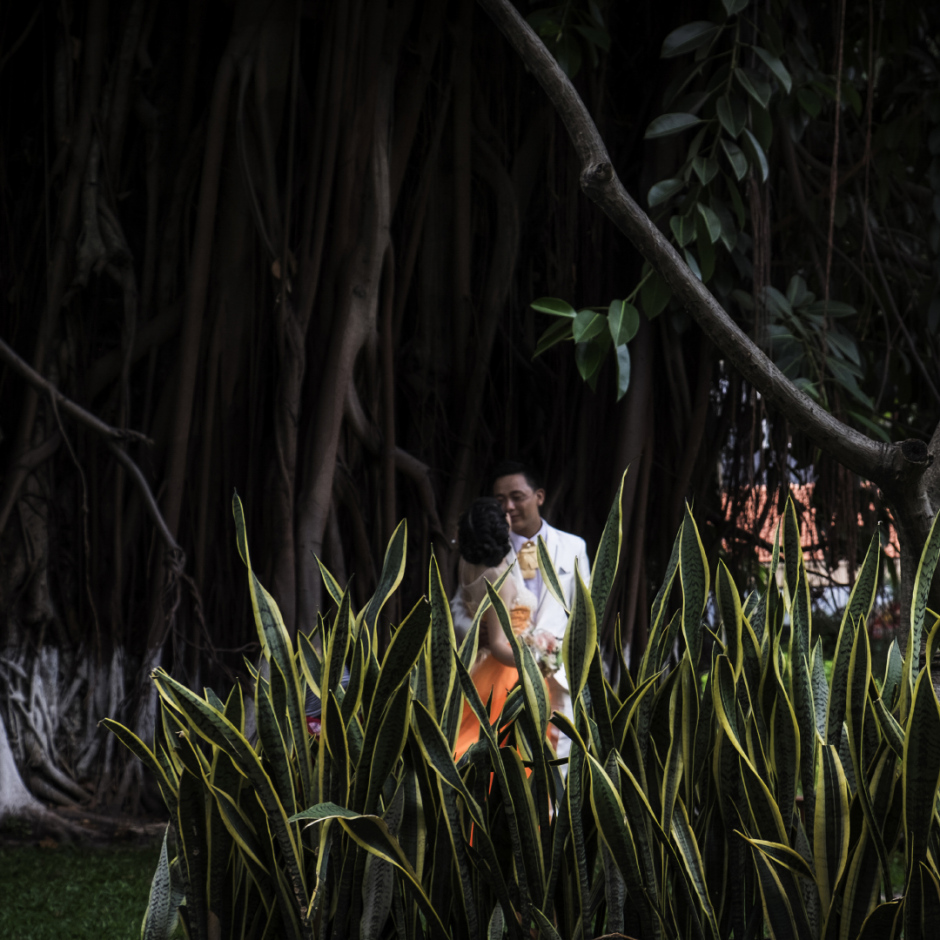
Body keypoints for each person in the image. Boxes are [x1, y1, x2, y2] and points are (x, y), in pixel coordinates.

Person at [491, 461, 590, 761]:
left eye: (517, 497)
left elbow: (584, 615)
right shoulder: (489, 550)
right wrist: (483, 635)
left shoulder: (573, 547)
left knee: (557, 763)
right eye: (500, 500)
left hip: (557, 673)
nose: (508, 507)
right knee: (505, 764)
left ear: (539, 496)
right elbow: (460, 608)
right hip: (500, 673)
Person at [452, 498, 538, 760]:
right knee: (505, 749)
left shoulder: (466, 563)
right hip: (503, 672)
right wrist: (534, 661)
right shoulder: (500, 579)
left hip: (475, 664)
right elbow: (499, 645)